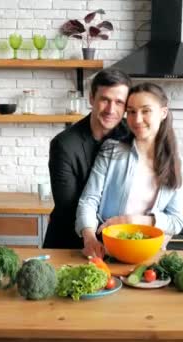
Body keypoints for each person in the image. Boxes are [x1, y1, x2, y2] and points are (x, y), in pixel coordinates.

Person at [75, 82, 183, 258]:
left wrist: (134, 221)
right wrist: (89, 239)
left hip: (149, 253)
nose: (137, 119)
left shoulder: (175, 162)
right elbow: (89, 200)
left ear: (163, 113)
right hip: (107, 250)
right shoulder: (111, 151)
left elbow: (176, 221)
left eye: (146, 111)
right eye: (132, 112)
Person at [43, 69, 132, 249]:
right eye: (105, 100)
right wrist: (94, 235)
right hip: (70, 243)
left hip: (119, 242)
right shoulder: (64, 144)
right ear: (92, 99)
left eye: (119, 102)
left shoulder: (134, 137)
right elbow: (68, 207)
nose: (111, 109)